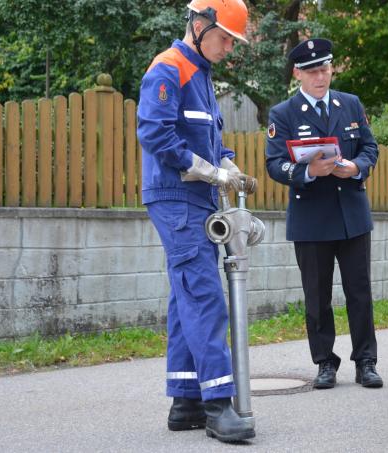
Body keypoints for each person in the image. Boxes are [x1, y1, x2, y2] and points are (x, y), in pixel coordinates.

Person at [136, 0, 256, 443]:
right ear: (200, 23)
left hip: (197, 198)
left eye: (232, 41)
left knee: (186, 293)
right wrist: (209, 171)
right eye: (225, 37)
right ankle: (219, 404)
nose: (229, 47)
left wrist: (230, 166)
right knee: (204, 294)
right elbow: (154, 133)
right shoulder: (169, 68)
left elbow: (211, 140)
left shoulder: (201, 74)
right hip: (176, 196)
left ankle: (185, 400)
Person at [264, 38, 382, 390]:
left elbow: (369, 147)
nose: (321, 76)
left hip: (351, 214)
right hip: (311, 217)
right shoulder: (282, 114)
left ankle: (366, 361)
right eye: (313, 71)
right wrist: (308, 172)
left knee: (359, 291)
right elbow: (273, 164)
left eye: (325, 68)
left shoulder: (350, 104)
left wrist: (357, 167)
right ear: (298, 73)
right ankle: (325, 363)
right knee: (317, 295)